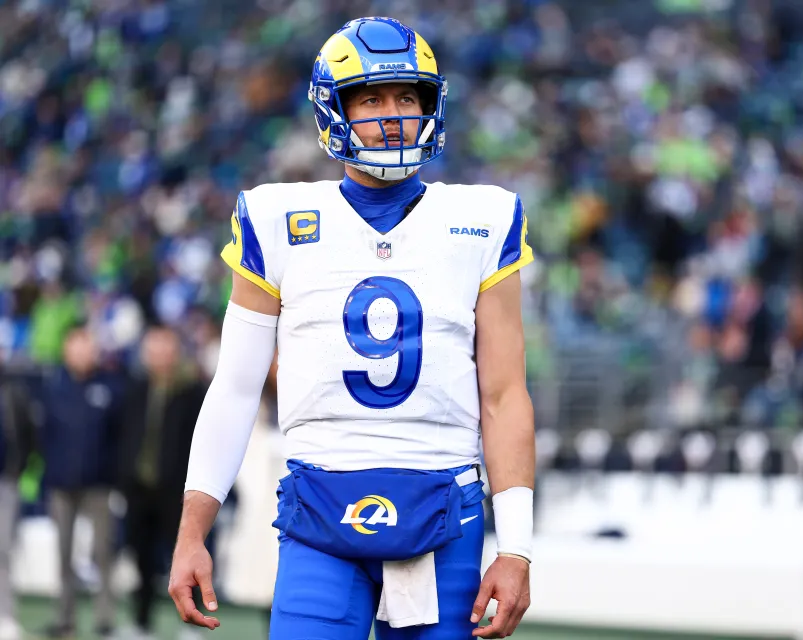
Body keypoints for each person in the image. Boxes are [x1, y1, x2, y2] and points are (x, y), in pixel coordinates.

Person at [169, 16, 535, 639]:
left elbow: (503, 396)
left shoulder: (483, 217)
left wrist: (518, 545)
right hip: (320, 506)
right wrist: (192, 530)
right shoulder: (277, 217)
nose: (393, 115)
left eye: (407, 97)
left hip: (444, 506)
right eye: (371, 98)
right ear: (334, 111)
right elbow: (234, 387)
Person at [119, 326, 207, 637]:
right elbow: (123, 435)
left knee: (185, 554)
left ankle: (193, 625)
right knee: (140, 558)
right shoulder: (134, 388)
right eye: (153, 349)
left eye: (164, 349)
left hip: (177, 491)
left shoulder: (191, 391)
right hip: (140, 489)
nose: (158, 356)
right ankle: (141, 622)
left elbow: (202, 440)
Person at [38, 325, 122, 638]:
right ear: (65, 350)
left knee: (103, 552)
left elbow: (118, 436)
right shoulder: (54, 388)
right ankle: (65, 618)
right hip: (61, 483)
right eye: (75, 346)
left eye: (87, 345)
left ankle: (105, 618)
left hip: (99, 484)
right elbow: (43, 436)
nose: (82, 352)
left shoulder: (110, 388)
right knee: (63, 554)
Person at [0, 365, 37, 640]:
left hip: (6, 481)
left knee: (3, 550)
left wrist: (19, 469)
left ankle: (5, 615)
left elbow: (27, 434)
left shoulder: (13, 392)